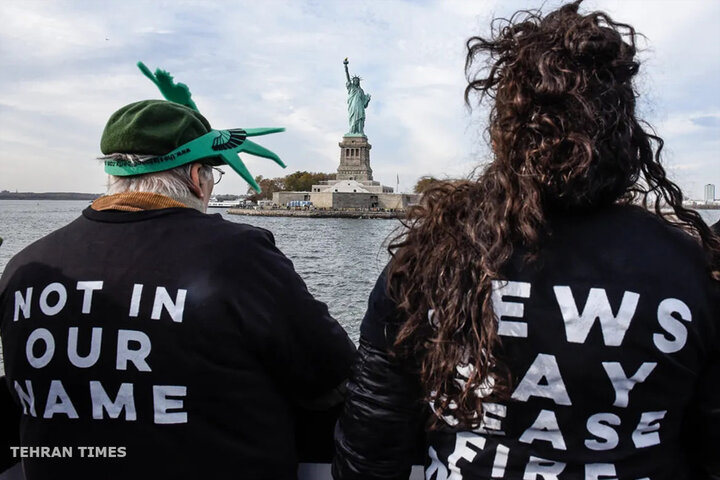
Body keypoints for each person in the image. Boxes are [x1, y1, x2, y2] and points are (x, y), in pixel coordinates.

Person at [333, 2, 720, 479]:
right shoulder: (691, 269)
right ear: (625, 133)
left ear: (507, 129)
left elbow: (372, 444)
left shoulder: (431, 258)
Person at [0, 64, 356, 479]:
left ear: (112, 174)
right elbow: (332, 373)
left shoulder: (25, 267)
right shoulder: (238, 257)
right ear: (195, 178)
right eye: (214, 175)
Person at [343, 58, 371, 136]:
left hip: (360, 107)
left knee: (360, 119)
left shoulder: (361, 91)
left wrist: (367, 100)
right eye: (354, 80)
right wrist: (346, 67)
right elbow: (347, 77)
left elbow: (364, 105)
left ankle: (359, 132)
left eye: (357, 80)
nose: (355, 81)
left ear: (358, 82)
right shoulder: (351, 87)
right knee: (353, 119)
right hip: (353, 106)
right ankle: (352, 131)